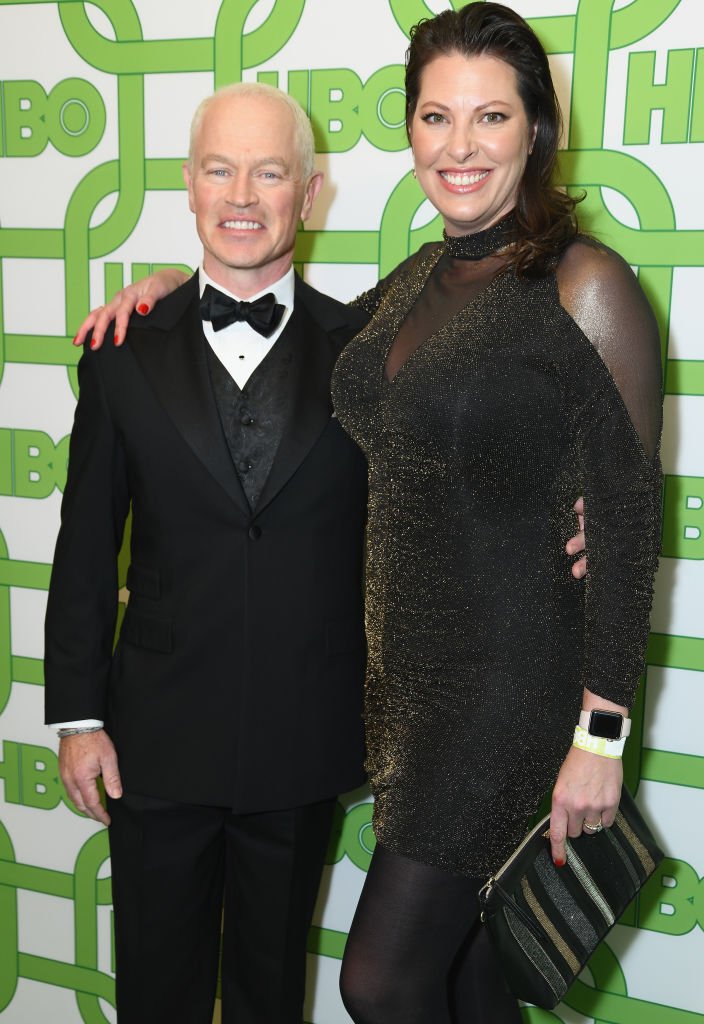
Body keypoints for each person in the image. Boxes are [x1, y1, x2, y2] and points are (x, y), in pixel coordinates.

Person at [329, 5, 662, 1022]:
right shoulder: (419, 277)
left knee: (380, 980)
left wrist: (599, 736)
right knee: (470, 976)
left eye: (489, 117)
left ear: (534, 129)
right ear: (410, 128)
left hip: (505, 694)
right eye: (435, 117)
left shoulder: (582, 283)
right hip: (405, 692)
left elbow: (622, 517)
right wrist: (187, 286)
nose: (459, 146)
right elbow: (313, 353)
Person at [44, 82, 372, 1024]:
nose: (242, 195)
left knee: (272, 994)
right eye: (220, 169)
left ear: (307, 196)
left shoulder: (369, 352)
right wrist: (77, 717)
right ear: (189, 185)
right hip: (152, 738)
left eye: (269, 172)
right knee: (156, 990)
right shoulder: (120, 351)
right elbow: (83, 546)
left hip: (304, 736)